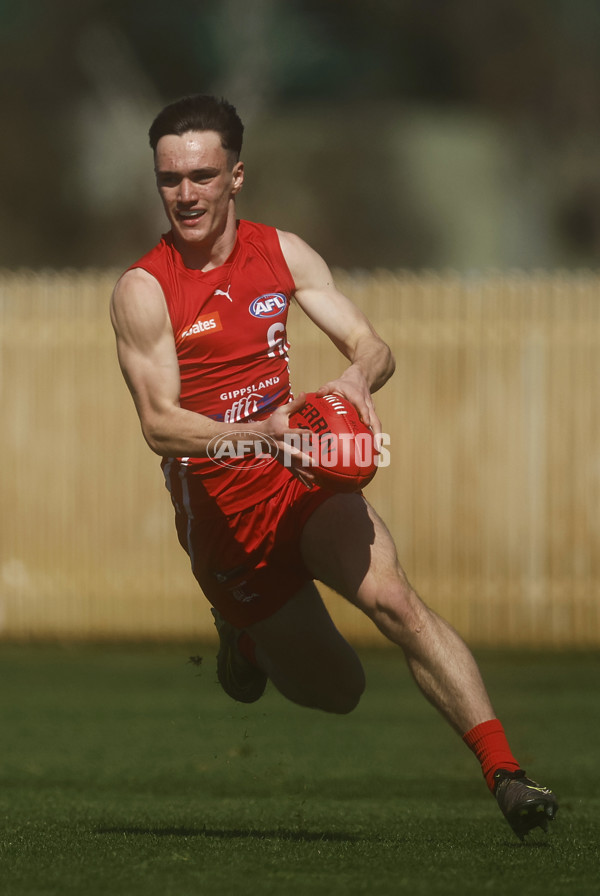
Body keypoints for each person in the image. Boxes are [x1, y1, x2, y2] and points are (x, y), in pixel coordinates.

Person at [110, 93, 558, 840]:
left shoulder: (281, 253)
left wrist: (355, 380)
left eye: (202, 175)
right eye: (170, 179)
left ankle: (507, 775)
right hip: (229, 525)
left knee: (397, 604)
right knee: (339, 690)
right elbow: (160, 426)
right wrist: (261, 432)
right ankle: (243, 639)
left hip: (302, 480)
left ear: (237, 176)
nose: (186, 194)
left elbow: (373, 344)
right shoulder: (145, 290)